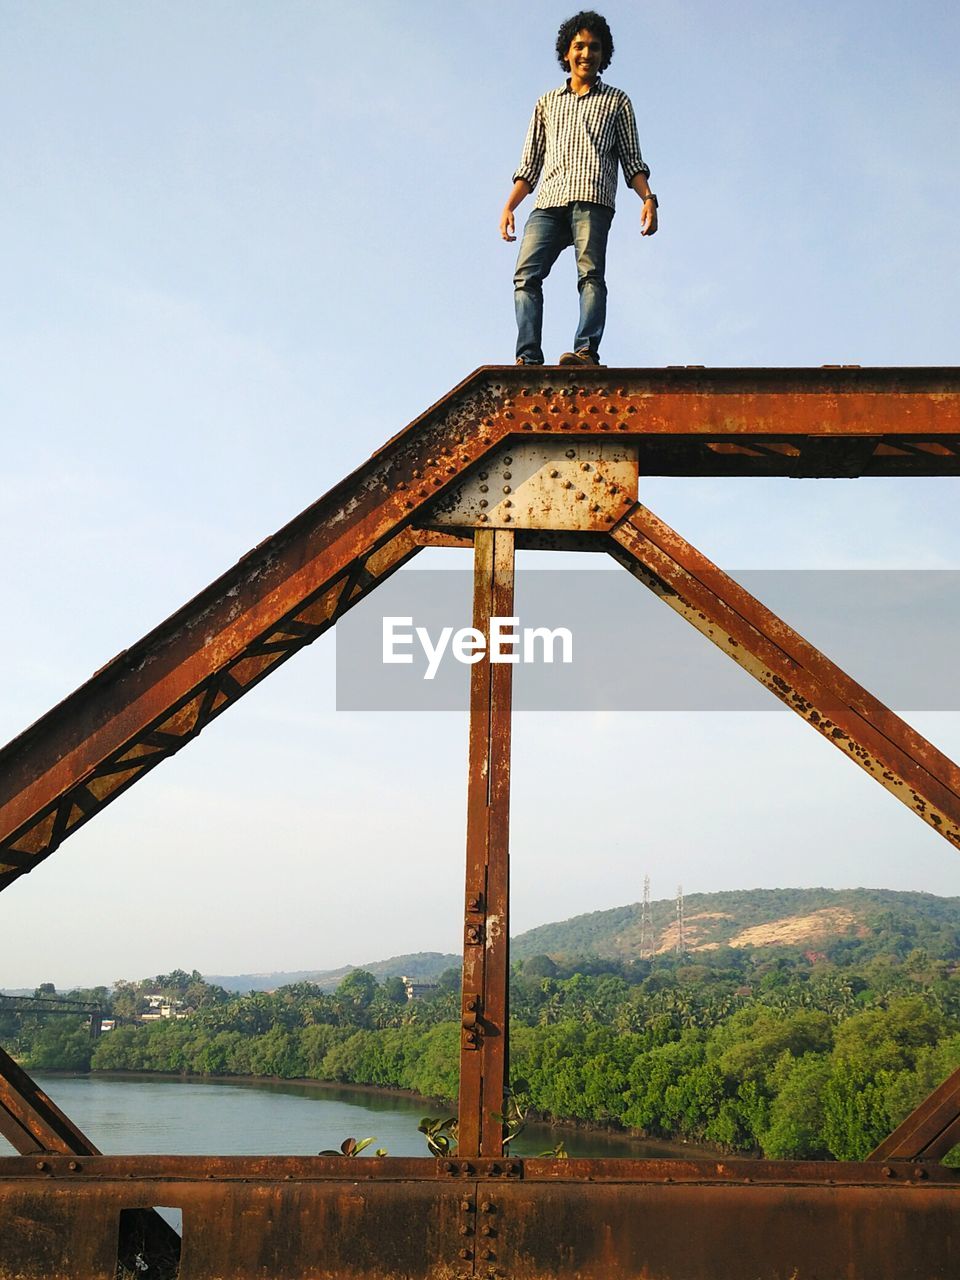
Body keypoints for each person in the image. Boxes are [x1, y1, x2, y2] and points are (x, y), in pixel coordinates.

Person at [499, 11, 657, 367]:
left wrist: (648, 198)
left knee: (590, 275)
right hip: (549, 201)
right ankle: (528, 356)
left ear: (604, 55)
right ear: (567, 53)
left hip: (592, 199)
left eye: (595, 48)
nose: (587, 54)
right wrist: (509, 205)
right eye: (580, 46)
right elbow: (530, 165)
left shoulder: (617, 101)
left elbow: (632, 160)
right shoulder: (547, 103)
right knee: (525, 276)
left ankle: (586, 352)